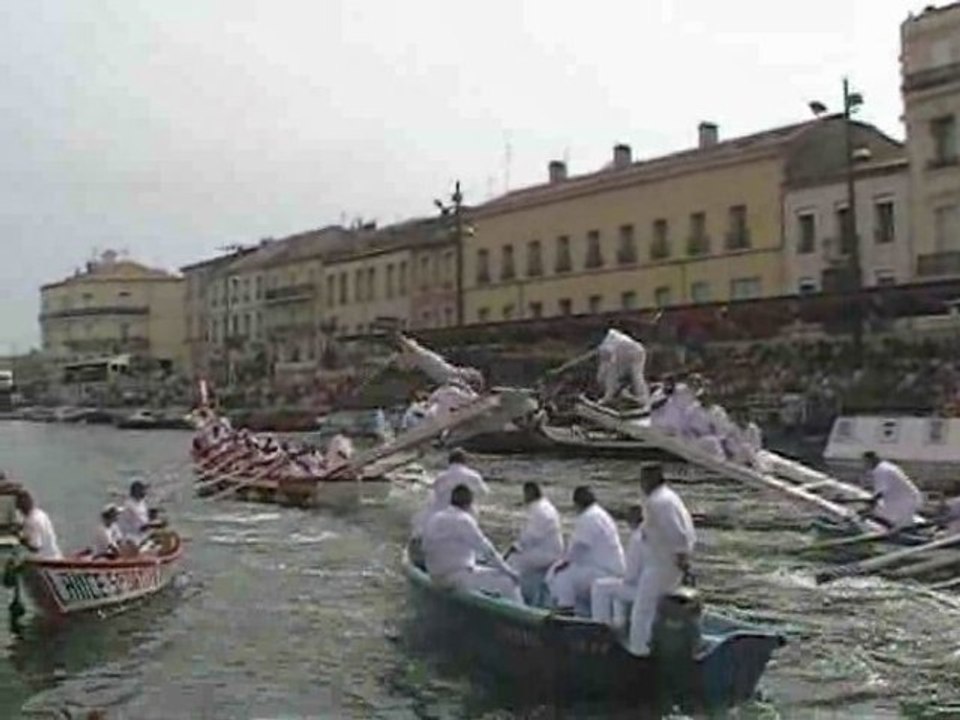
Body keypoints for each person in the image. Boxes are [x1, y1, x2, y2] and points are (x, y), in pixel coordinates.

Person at [628, 464, 696, 656]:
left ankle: (639, 651)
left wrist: (682, 560)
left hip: (662, 564)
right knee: (655, 609)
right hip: (665, 563)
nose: (641, 485)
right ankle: (654, 645)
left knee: (642, 610)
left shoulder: (658, 502)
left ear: (649, 480)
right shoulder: (669, 497)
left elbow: (678, 534)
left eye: (642, 480)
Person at [422, 484, 521, 602]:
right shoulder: (464, 520)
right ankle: (524, 615)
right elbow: (487, 549)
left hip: (434, 575)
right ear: (469, 504)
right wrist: (509, 571)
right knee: (507, 582)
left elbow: (426, 547)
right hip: (454, 577)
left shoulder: (435, 518)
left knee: (482, 572)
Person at [547, 486, 625, 614]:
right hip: (611, 569)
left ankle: (565, 609)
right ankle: (581, 609)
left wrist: (561, 564)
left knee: (563, 576)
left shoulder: (588, 517)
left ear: (577, 504)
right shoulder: (601, 514)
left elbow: (578, 547)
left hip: (602, 571)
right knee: (571, 573)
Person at [507, 482, 564, 604]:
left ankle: (517, 600)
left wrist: (515, 546)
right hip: (549, 549)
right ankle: (533, 596)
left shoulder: (539, 510)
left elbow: (530, 536)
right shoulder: (545, 506)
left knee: (512, 564)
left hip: (545, 553)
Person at [412, 448, 489, 538]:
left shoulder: (442, 477)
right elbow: (484, 493)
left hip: (441, 517)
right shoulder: (474, 476)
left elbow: (434, 494)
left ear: (450, 461)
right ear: (465, 461)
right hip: (466, 517)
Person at [591, 504, 645, 629]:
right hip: (659, 586)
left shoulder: (637, 538)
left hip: (642, 589)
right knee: (617, 591)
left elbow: (631, 575)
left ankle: (600, 627)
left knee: (600, 587)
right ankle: (620, 624)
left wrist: (624, 577)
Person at [397, 334, 484, 389]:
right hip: (439, 368)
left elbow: (417, 352)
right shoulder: (449, 373)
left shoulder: (451, 377)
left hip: (439, 369)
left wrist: (402, 339)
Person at [861, 451, 923, 529]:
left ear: (871, 460)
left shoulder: (880, 470)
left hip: (904, 501)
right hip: (905, 498)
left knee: (893, 521)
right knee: (888, 517)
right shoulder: (886, 466)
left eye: (866, 462)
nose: (866, 465)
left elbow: (881, 490)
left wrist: (871, 504)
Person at [597, 329, 650, 407]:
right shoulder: (612, 336)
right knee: (637, 376)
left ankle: (608, 398)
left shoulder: (606, 345)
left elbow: (609, 368)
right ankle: (643, 398)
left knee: (632, 376)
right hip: (638, 349)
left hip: (627, 351)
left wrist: (607, 395)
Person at [15, 490, 62, 560]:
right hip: (56, 556)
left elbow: (36, 547)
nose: (20, 512)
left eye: (19, 509)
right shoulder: (41, 514)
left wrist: (22, 541)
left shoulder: (31, 522)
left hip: (44, 561)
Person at [117, 480, 155, 547]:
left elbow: (144, 515)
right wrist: (154, 525)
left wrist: (151, 514)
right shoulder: (130, 506)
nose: (145, 493)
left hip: (143, 535)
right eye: (142, 491)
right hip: (133, 539)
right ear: (136, 492)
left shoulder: (141, 501)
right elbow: (140, 527)